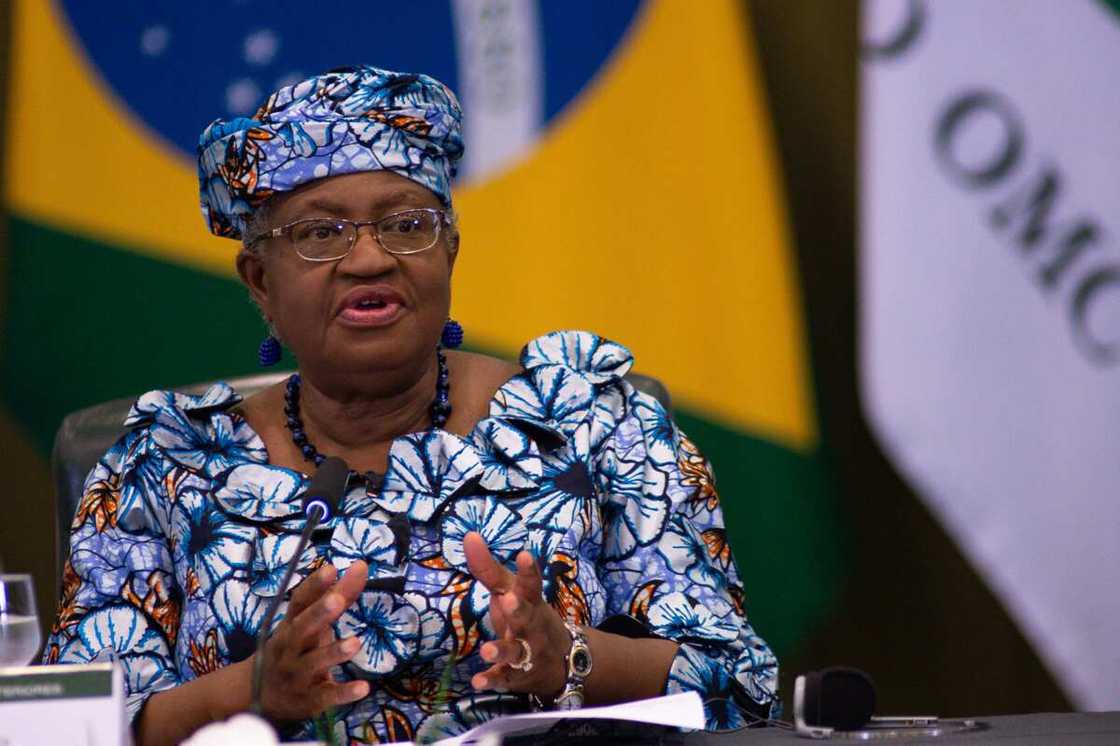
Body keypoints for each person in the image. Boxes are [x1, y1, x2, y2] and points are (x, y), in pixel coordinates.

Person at [43, 65, 778, 745]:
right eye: (320, 233)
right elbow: (71, 726)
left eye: (404, 224)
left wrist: (573, 659)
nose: (369, 258)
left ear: (449, 251)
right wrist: (253, 690)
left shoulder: (594, 423)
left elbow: (748, 687)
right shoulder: (162, 465)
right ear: (259, 281)